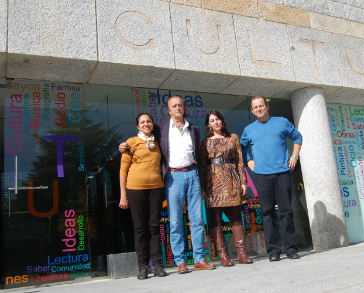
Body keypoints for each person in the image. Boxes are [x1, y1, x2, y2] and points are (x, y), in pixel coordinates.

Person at [120, 96, 215, 274]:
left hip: (193, 174)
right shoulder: (160, 128)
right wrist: (124, 146)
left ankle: (199, 259)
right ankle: (180, 261)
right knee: (176, 221)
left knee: (197, 220)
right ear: (169, 111)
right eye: (174, 106)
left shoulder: (193, 129)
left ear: (184, 108)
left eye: (180, 105)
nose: (177, 108)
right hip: (173, 176)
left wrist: (201, 183)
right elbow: (142, 134)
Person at [240, 96, 302, 262]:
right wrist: (248, 160)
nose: (259, 109)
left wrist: (295, 156)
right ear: (252, 111)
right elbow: (242, 147)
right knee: (267, 214)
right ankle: (273, 252)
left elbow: (298, 137)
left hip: (282, 173)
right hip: (262, 175)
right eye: (255, 107)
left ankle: (291, 249)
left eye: (261, 106)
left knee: (286, 212)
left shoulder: (281, 122)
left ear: (267, 107)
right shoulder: (248, 129)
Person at [200, 110, 253, 267]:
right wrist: (203, 188)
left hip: (231, 181)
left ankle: (242, 254)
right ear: (208, 125)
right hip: (212, 183)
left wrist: (243, 182)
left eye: (218, 119)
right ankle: (223, 255)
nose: (216, 122)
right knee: (216, 220)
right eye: (212, 120)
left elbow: (239, 161)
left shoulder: (233, 137)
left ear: (222, 121)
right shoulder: (205, 142)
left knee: (236, 218)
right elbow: (203, 166)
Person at [119, 113, 168, 279]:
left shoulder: (157, 142)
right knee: (140, 229)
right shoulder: (131, 142)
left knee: (154, 226)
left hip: (156, 188)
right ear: (138, 126)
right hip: (135, 189)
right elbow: (123, 170)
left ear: (152, 124)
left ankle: (158, 265)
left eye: (148, 121)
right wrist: (123, 196)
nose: (146, 124)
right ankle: (143, 267)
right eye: (142, 122)